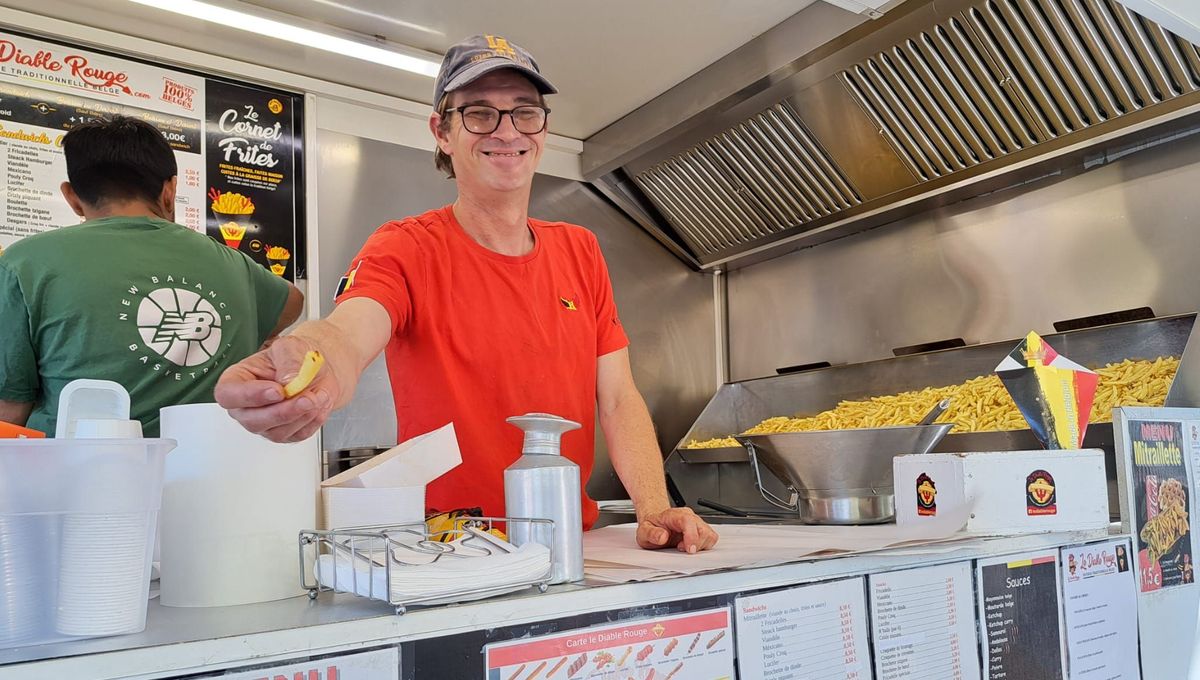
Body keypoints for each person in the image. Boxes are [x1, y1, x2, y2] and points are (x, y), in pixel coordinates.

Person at [215, 34, 717, 553]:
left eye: (525, 112)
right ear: (443, 131)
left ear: (543, 128)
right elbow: (350, 330)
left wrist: (653, 508)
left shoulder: (580, 250)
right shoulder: (406, 246)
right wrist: (316, 361)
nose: (506, 131)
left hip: (568, 541)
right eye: (480, 113)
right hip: (448, 552)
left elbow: (617, 397)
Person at [0, 116, 303, 436]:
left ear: (72, 197)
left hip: (79, 476)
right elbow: (293, 301)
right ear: (170, 191)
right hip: (215, 473)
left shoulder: (23, 264)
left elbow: (9, 412)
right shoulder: (234, 264)